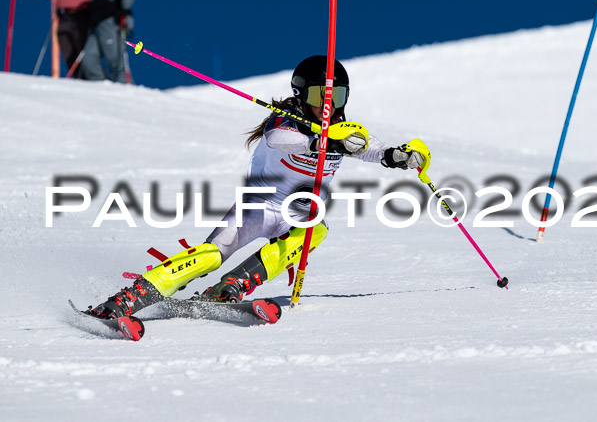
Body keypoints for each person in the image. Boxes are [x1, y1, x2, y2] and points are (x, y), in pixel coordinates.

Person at [86, 56, 429, 319]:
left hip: (297, 213)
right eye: (319, 95)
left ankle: (232, 285)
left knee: (316, 228)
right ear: (300, 94)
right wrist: (327, 142)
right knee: (209, 254)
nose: (328, 105)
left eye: (336, 96)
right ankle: (128, 299)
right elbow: (279, 140)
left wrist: (402, 156)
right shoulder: (286, 121)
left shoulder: (344, 129)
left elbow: (373, 148)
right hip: (259, 206)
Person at [81, 0, 135, 83]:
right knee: (89, 60)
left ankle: (126, 91)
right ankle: (104, 91)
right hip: (98, 23)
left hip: (111, 22)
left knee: (115, 60)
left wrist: (122, 10)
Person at [55, 0, 104, 78]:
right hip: (65, 16)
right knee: (70, 53)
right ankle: (81, 84)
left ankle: (99, 82)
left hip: (84, 14)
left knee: (86, 56)